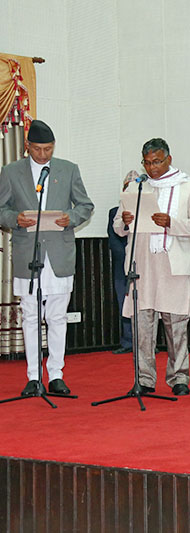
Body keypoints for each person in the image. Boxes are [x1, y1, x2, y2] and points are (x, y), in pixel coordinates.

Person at [0, 119, 94, 396]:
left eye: (49, 149)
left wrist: (71, 218)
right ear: (27, 146)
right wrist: (14, 219)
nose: (43, 155)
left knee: (57, 317)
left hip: (59, 252)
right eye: (38, 149)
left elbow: (85, 205)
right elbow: (1, 208)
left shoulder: (68, 169)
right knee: (30, 316)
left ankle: (56, 374)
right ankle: (33, 376)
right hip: (27, 252)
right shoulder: (11, 171)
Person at [113, 138, 190, 396]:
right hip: (141, 263)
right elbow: (118, 227)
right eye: (147, 162)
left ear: (169, 159)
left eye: (157, 161)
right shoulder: (136, 187)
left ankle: (179, 378)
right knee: (142, 325)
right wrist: (124, 220)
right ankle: (144, 379)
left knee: (176, 324)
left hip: (172, 264)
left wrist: (171, 223)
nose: (152, 168)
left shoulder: (186, 187)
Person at [107, 171, 138, 354]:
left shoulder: (149, 210)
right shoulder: (114, 213)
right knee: (124, 304)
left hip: (143, 266)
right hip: (122, 266)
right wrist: (128, 256)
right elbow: (114, 241)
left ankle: (147, 343)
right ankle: (127, 342)